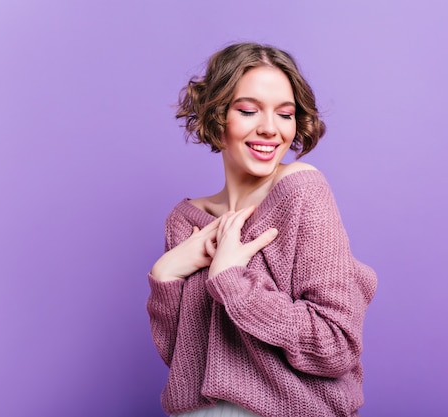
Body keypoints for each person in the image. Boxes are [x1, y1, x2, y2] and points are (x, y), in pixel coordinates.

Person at [147, 42, 377, 417]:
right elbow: (184, 362)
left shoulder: (301, 190)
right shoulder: (186, 220)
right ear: (217, 116)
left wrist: (232, 282)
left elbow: (336, 345)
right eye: (249, 110)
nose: (270, 129)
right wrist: (165, 274)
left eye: (285, 115)